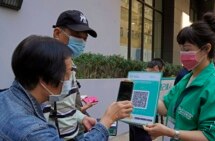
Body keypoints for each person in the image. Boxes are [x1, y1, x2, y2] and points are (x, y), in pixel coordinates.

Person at [0, 35, 133, 141]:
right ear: (43, 80)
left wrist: (81, 117)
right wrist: (107, 121)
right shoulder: (34, 131)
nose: (70, 80)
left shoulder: (6, 98)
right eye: (67, 74)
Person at [143, 12, 215, 141]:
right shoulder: (187, 78)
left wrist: (172, 133)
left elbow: (214, 136)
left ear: (206, 48)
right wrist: (141, 90)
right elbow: (165, 107)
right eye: (181, 49)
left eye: (187, 49)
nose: (182, 54)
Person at [42, 10, 98, 139]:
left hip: (75, 134)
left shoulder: (70, 65)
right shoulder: (45, 66)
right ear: (57, 33)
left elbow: (66, 106)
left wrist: (82, 118)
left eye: (85, 38)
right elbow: (39, 116)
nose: (82, 42)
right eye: (77, 35)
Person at [129, 58, 165, 141]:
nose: (162, 74)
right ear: (156, 68)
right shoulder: (150, 80)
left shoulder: (137, 76)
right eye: (162, 71)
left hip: (132, 118)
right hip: (144, 121)